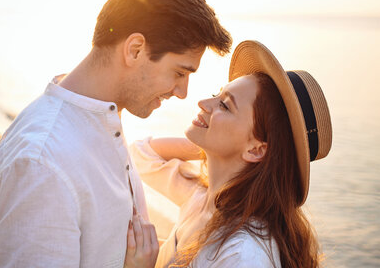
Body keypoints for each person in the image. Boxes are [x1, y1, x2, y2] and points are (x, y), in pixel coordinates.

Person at [0, 0, 233, 267]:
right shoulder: (42, 165)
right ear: (135, 50)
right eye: (179, 72)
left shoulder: (100, 124)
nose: (182, 92)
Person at [130, 40, 332, 267]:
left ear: (256, 149)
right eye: (217, 94)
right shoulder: (204, 200)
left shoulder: (244, 254)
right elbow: (141, 153)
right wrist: (213, 148)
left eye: (225, 105)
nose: (204, 103)